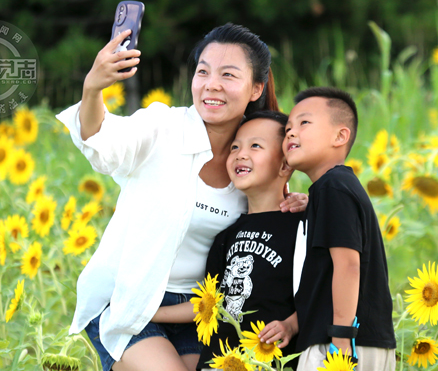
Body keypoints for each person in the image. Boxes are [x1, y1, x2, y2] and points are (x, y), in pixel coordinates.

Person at [55, 23, 306, 371]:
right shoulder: (162, 127)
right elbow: (101, 141)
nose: (211, 84)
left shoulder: (251, 161)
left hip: (196, 311)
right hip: (126, 300)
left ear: (256, 88)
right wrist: (93, 88)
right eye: (203, 72)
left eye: (228, 75)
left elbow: (272, 210)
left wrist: (305, 203)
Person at [152, 111, 301, 371]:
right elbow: (209, 302)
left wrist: (292, 324)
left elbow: (322, 292)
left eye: (255, 146)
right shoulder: (225, 236)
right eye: (235, 147)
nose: (241, 154)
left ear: (285, 165)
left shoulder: (302, 225)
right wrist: (151, 314)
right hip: (221, 362)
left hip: (270, 359)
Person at [283, 87, 397, 370]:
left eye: (304, 123)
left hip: (341, 347)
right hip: (357, 341)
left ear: (340, 136)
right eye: (287, 128)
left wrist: (342, 339)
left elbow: (348, 266)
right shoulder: (332, 190)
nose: (290, 133)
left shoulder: (334, 188)